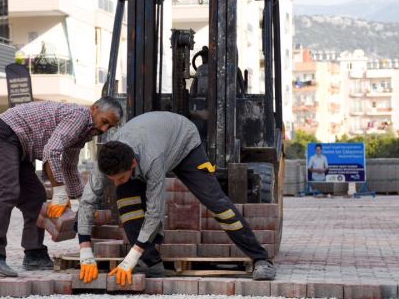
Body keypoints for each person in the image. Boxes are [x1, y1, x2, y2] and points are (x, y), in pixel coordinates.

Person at [76, 111, 277, 286]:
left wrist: (129, 259)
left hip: (184, 142)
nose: (117, 183)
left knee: (217, 204)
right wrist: (85, 251)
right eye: (113, 179)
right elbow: (87, 202)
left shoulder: (152, 160)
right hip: (152, 140)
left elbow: (155, 213)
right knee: (127, 204)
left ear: (133, 164)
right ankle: (152, 263)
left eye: (120, 178)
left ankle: (261, 259)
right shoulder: (106, 162)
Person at [0, 97, 123, 276]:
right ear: (94, 109)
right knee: (8, 191)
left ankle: (34, 253)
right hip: (4, 135)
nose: (104, 129)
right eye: (104, 122)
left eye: (110, 127)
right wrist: (60, 193)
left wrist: (85, 201)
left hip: (19, 146)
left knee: (35, 198)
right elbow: (51, 151)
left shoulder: (85, 131)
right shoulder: (78, 117)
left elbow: (68, 167)